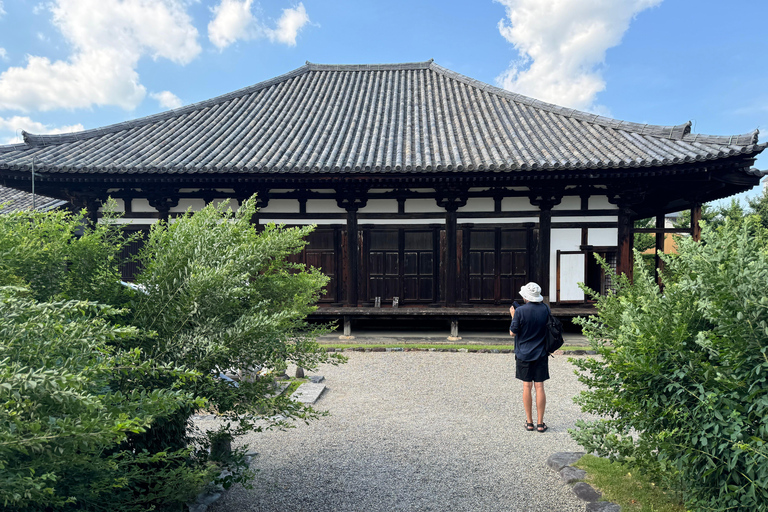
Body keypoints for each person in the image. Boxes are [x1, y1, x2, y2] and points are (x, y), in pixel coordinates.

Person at [509, 282, 550, 433]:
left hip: (524, 352)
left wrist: (513, 316)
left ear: (525, 296)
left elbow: (513, 332)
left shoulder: (520, 312)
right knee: (539, 386)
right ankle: (540, 423)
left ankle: (529, 422)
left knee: (527, 386)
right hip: (541, 352)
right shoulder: (546, 309)